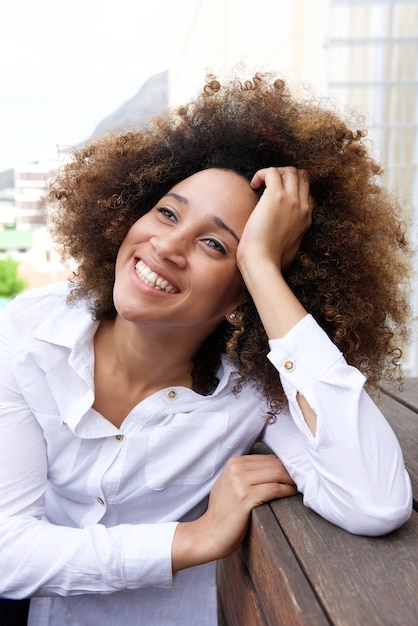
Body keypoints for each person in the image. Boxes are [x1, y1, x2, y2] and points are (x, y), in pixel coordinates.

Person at [0, 70, 413, 626]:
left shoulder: (252, 391)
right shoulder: (28, 337)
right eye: (167, 212)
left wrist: (264, 270)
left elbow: (375, 502)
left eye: (216, 245)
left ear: (243, 296)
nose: (167, 245)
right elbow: (8, 553)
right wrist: (192, 540)